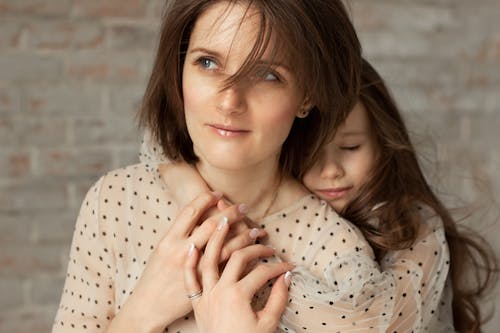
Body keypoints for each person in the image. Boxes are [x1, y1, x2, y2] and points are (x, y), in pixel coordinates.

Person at [52, 0, 373, 332]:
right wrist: (143, 311)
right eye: (207, 62)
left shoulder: (335, 255)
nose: (229, 101)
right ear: (179, 71)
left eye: (266, 74)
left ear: (307, 96)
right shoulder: (116, 201)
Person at [152, 60, 498, 332]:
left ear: (384, 143)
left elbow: (371, 324)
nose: (330, 169)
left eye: (351, 147)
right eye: (310, 153)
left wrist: (205, 207)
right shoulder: (280, 218)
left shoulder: (415, 225)